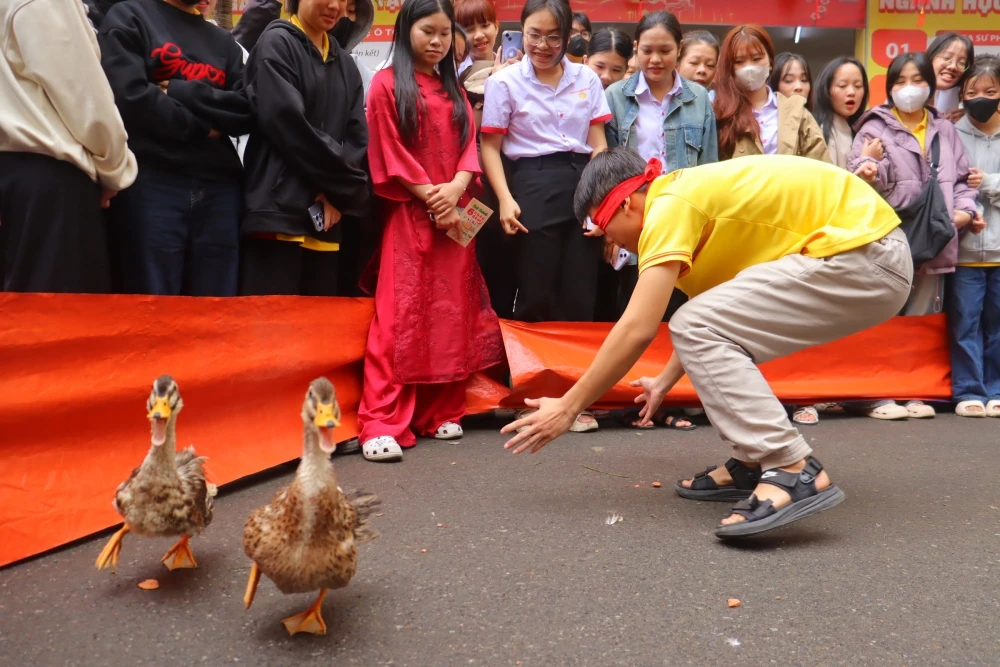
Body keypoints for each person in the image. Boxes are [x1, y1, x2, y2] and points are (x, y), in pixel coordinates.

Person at [503, 147, 912, 539]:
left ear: (625, 205)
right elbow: (714, 318)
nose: (607, 240)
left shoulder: (670, 203)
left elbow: (637, 327)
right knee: (700, 322)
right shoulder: (687, 209)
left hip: (866, 254)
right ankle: (755, 461)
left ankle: (791, 468)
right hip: (865, 257)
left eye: (601, 226)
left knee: (693, 323)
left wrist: (569, 406)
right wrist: (664, 380)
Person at [357, 0, 504, 462]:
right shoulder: (385, 85)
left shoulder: (452, 88)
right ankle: (380, 420)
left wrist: (457, 188)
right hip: (410, 215)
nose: (438, 41)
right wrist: (432, 197)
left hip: (457, 216)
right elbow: (389, 150)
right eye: (428, 31)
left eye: (444, 33)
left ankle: (441, 410)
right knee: (398, 317)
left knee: (452, 312)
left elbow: (469, 147)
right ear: (406, 30)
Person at [480, 0, 612, 433]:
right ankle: (532, 395)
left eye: (553, 36)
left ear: (568, 36)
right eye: (534, 34)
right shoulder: (504, 82)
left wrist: (600, 200)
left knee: (578, 294)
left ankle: (575, 401)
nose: (543, 45)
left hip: (581, 182)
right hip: (531, 183)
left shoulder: (587, 77)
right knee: (534, 292)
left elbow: (597, 143)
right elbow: (492, 147)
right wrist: (504, 198)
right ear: (521, 31)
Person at [602, 11, 717, 431]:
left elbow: (709, 165)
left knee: (681, 308)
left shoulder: (699, 98)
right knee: (633, 307)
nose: (655, 59)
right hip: (635, 218)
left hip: (684, 215)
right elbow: (610, 166)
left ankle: (674, 397)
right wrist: (609, 226)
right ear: (636, 50)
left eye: (665, 50)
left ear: (679, 50)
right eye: (647, 50)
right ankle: (631, 397)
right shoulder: (616, 96)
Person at [849, 51, 979, 420]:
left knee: (922, 317)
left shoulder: (946, 129)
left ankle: (912, 390)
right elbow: (860, 173)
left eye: (918, 81)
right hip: (891, 237)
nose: (909, 89)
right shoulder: (874, 127)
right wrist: (869, 167)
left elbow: (962, 180)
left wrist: (965, 211)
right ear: (889, 87)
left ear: (931, 85)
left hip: (937, 237)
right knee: (884, 313)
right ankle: (878, 393)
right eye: (901, 81)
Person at [99, 0, 253, 296]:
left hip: (220, 191)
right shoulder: (130, 16)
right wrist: (204, 126)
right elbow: (130, 98)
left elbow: (245, 108)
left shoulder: (224, 43)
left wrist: (179, 90)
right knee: (149, 308)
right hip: (151, 182)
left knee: (216, 314)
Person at [0, 0, 137, 293]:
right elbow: (84, 96)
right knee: (56, 325)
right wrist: (114, 169)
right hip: (45, 180)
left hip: (20, 173)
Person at [239, 0, 370, 296]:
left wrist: (336, 194)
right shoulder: (275, 43)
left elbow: (357, 136)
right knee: (269, 330)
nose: (335, 6)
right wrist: (342, 187)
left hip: (326, 219)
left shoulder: (346, 63)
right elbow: (287, 123)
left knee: (318, 332)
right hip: (277, 212)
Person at [951, 55, 999, 417]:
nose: (980, 97)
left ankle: (995, 389)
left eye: (990, 91)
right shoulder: (951, 134)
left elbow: (981, 182)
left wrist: (990, 183)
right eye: (972, 91)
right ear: (962, 95)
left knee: (996, 323)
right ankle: (968, 390)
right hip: (964, 249)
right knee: (965, 321)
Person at [713, 25, 829, 163]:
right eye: (739, 61)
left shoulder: (797, 113)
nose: (750, 67)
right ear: (730, 68)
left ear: (770, 62)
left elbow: (821, 165)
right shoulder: (718, 112)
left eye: (757, 59)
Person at [586, 27, 634, 324]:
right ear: (586, 59)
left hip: (615, 211)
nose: (606, 77)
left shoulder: (624, 102)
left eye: (617, 69)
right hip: (583, 204)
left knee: (610, 294)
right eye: (599, 66)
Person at [812, 57, 871, 171]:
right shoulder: (822, 130)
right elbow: (831, 181)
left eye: (858, 86)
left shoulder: (865, 127)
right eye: (842, 86)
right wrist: (866, 158)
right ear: (826, 90)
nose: (851, 92)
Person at [927, 32, 975, 122]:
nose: (953, 66)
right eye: (946, 58)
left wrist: (968, 123)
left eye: (961, 63)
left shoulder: (966, 105)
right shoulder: (907, 96)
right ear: (930, 57)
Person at [455, 0, 498, 76]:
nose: (479, 35)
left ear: (496, 27)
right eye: (469, 30)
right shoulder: (457, 76)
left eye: (485, 26)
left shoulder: (512, 67)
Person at [676, 29, 718, 93]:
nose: (702, 70)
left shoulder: (715, 101)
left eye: (710, 65)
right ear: (677, 65)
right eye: (694, 63)